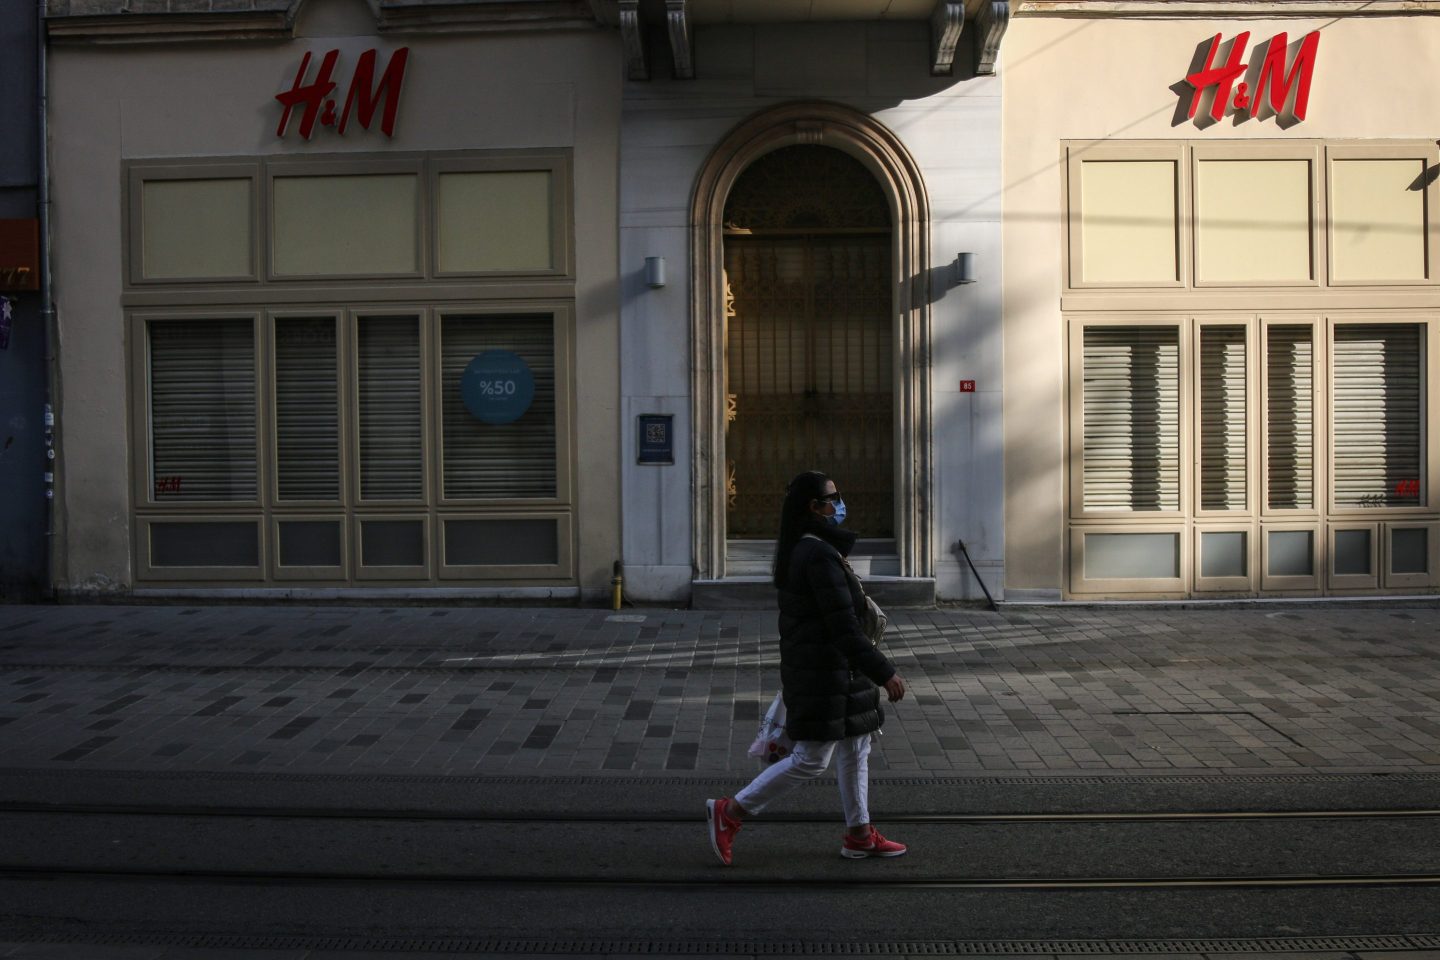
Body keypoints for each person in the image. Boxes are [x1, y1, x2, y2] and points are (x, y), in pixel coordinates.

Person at [706, 470, 908, 866]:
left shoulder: (814, 549)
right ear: (812, 508)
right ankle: (731, 811)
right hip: (823, 673)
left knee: (856, 746)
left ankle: (859, 834)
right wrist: (886, 672)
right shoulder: (815, 554)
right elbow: (844, 627)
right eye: (831, 499)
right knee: (812, 759)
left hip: (836, 672)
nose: (839, 504)